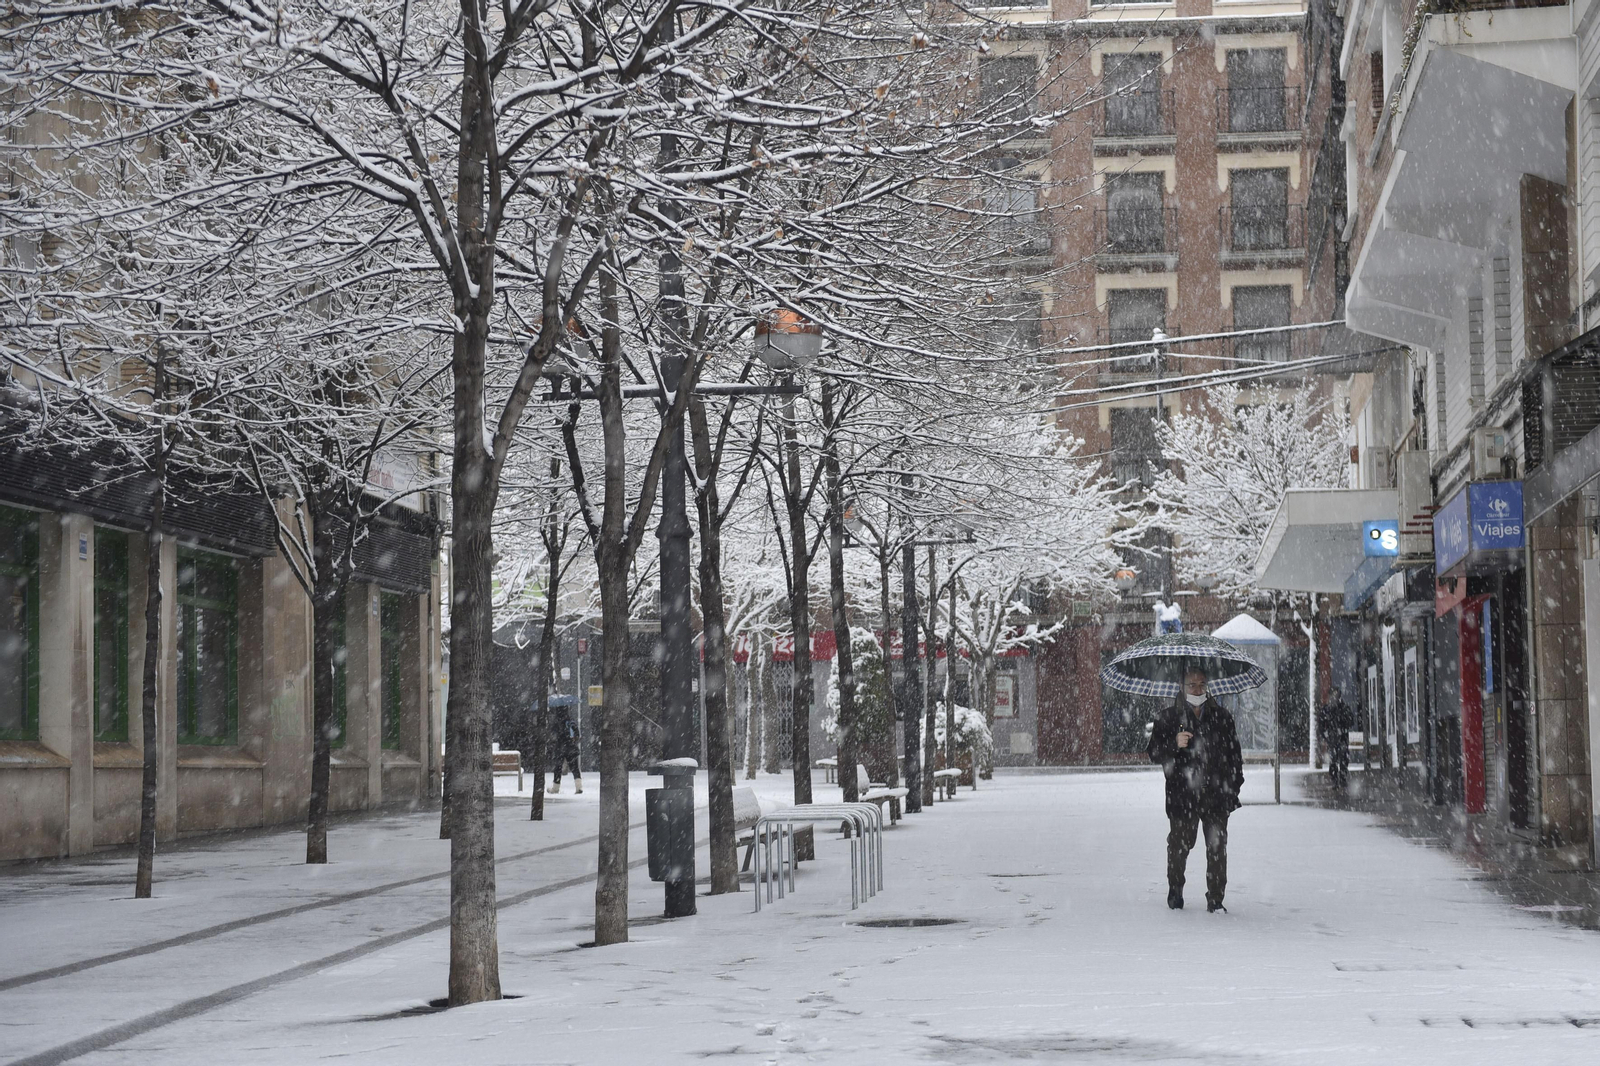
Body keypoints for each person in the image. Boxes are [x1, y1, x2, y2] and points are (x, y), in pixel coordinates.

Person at [1147, 668, 1244, 913]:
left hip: (1216, 796)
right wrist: (1174, 743)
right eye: (1192, 685)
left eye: (1202, 684)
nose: (1198, 689)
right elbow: (1153, 753)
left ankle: (1215, 899)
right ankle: (1175, 890)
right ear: (1182, 686)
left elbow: (1235, 756)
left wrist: (1232, 787)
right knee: (1179, 846)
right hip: (1183, 796)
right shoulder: (1168, 717)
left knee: (1217, 848)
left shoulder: (1221, 717)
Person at [1318, 692, 1353, 792]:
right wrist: (1326, 735)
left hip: (1341, 738)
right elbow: (1321, 724)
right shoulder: (1327, 709)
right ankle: (1336, 780)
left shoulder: (1343, 708)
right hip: (1333, 739)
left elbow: (1350, 721)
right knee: (1334, 760)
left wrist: (1342, 727)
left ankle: (1341, 778)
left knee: (1342, 759)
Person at [548, 703, 583, 795]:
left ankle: (555, 788)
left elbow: (553, 735)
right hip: (571, 747)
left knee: (558, 768)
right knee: (575, 768)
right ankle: (578, 787)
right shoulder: (571, 721)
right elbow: (577, 734)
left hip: (560, 748)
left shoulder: (557, 722)